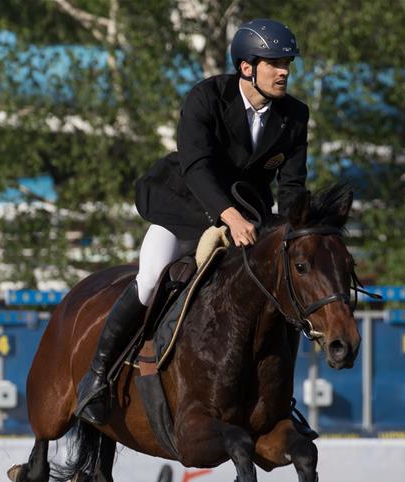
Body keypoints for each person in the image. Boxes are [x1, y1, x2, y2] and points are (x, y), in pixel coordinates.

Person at [75, 19, 310, 426]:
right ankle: (96, 378)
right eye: (273, 63)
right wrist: (230, 216)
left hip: (248, 218)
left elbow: (291, 185)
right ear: (246, 67)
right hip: (183, 209)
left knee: (280, 292)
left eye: (286, 62)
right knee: (149, 278)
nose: (284, 70)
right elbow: (197, 167)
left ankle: (279, 400)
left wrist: (293, 233)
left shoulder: (293, 115)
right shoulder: (207, 97)